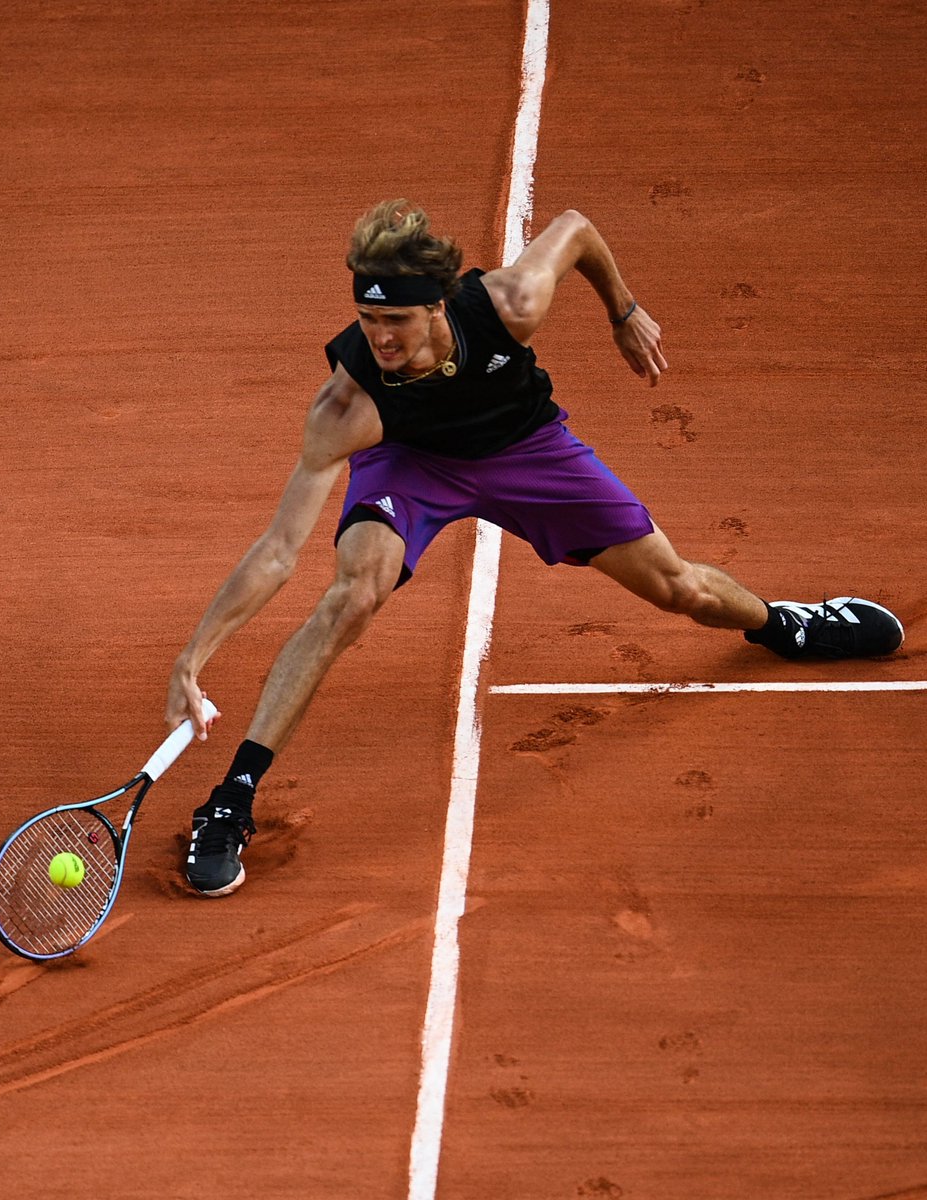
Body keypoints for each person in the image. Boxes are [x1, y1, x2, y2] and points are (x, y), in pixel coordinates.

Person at [165, 200, 904, 897]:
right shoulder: (348, 405)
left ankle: (786, 625)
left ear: (438, 307)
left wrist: (623, 309)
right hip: (412, 463)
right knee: (351, 595)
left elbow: (577, 228)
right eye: (366, 319)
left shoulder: (508, 303)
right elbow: (277, 551)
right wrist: (193, 658)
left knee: (681, 590)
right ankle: (232, 798)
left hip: (527, 450)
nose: (379, 338)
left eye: (395, 320)